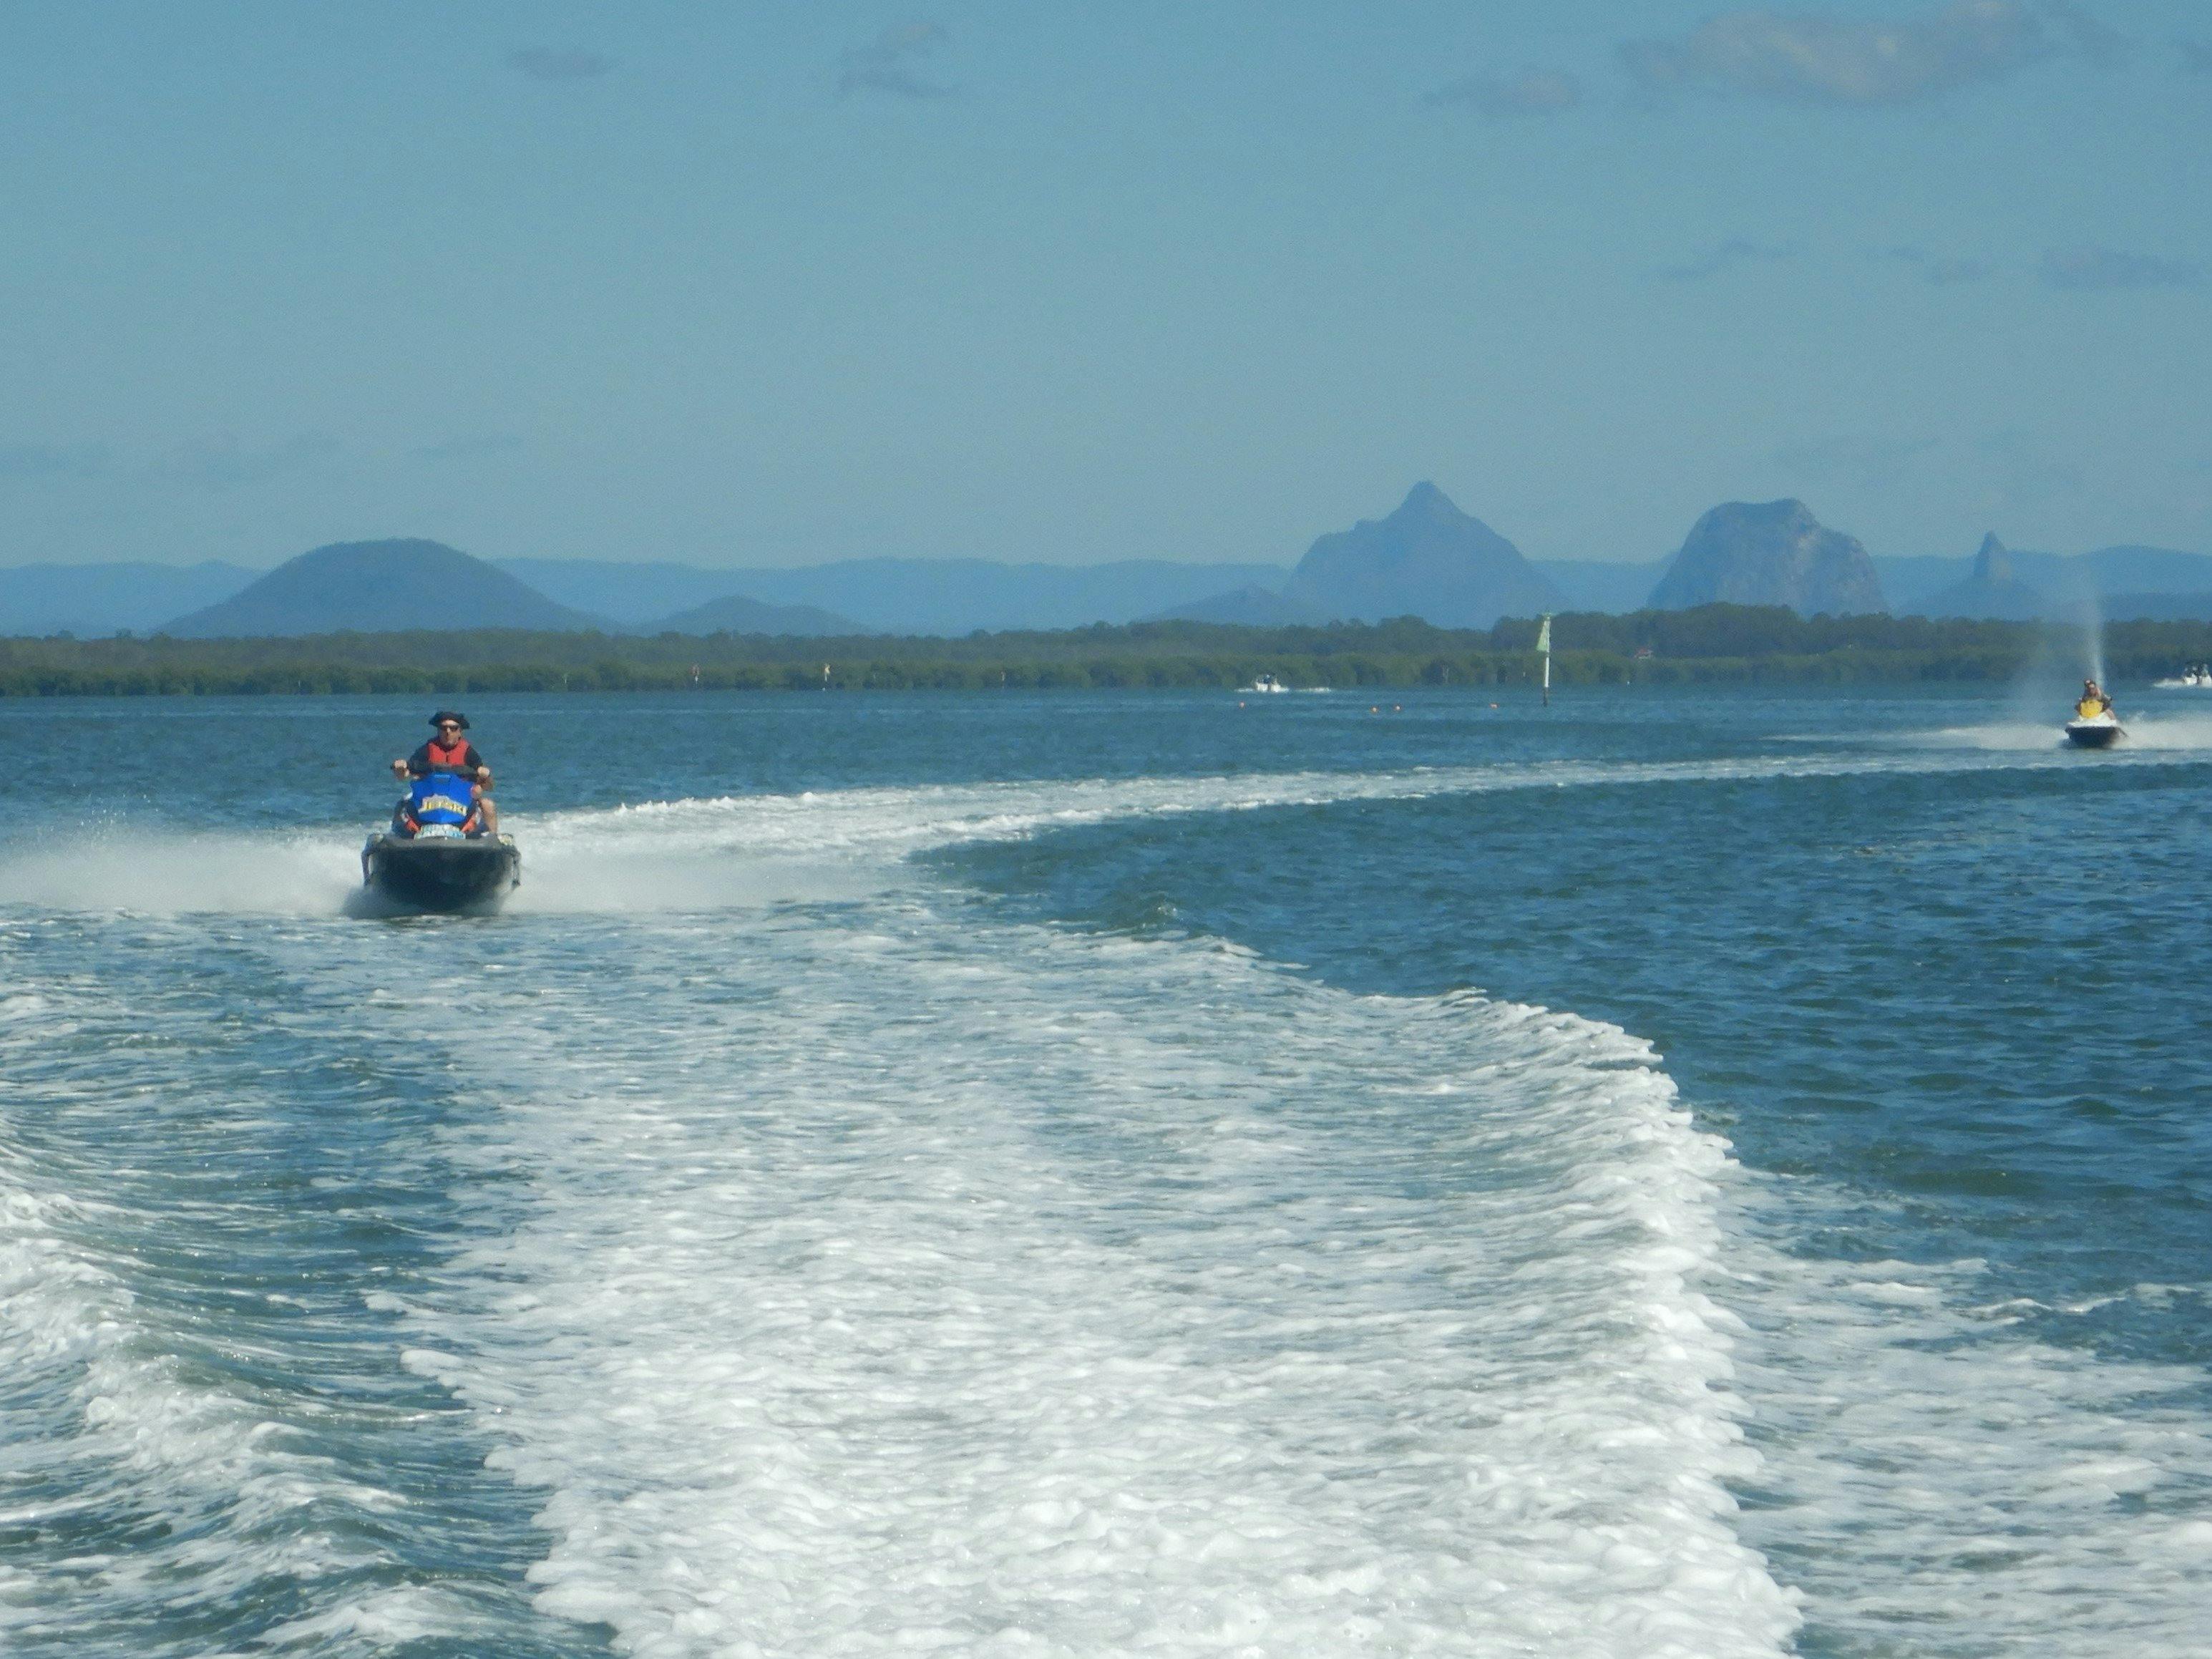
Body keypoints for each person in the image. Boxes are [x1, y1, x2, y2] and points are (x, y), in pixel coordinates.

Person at [393, 711, 498, 834]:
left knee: (488, 805)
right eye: (443, 728)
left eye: (453, 728)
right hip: (428, 798)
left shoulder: (468, 753)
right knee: (401, 805)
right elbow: (404, 775)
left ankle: (493, 839)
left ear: (460, 732)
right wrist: (401, 768)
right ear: (438, 730)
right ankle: (397, 837)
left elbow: (489, 786)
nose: (448, 732)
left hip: (461, 798)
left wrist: (484, 776)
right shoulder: (427, 749)